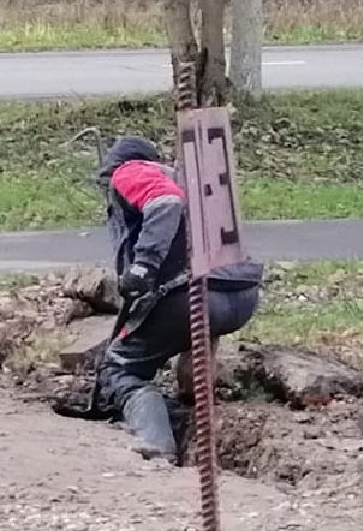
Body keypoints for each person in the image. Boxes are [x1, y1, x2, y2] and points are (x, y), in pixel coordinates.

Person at [94, 136, 261, 461]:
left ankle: (155, 441)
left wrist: (144, 265)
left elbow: (165, 202)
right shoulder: (192, 178)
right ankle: (189, 405)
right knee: (186, 328)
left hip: (190, 296)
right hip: (241, 295)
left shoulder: (130, 172)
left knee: (120, 368)